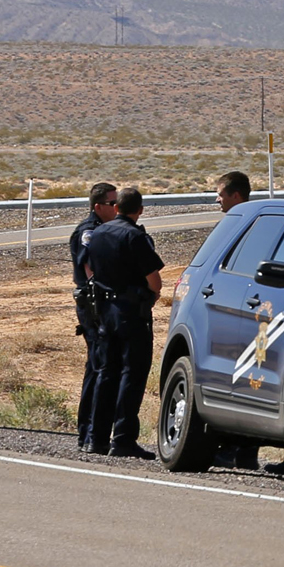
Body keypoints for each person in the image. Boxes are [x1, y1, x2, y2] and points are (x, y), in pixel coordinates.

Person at [85, 187, 164, 459]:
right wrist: (153, 295)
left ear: (116, 207)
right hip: (131, 311)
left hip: (104, 309)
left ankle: (96, 437)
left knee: (107, 372)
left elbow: (88, 268)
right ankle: (123, 438)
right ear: (139, 210)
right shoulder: (134, 236)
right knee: (133, 372)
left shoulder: (98, 233)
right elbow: (153, 277)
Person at [213, 170, 263, 470]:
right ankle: (240, 452)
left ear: (236, 195)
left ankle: (239, 449)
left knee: (246, 381)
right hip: (234, 313)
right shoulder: (240, 225)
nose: (217, 199)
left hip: (250, 316)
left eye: (221, 194)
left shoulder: (252, 227)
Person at [71, 182, 118, 453]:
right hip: (93, 305)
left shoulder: (106, 228)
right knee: (98, 366)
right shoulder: (89, 231)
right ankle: (87, 431)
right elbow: (89, 267)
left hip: (100, 304)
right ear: (98, 206)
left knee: (99, 365)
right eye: (112, 203)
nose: (116, 207)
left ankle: (90, 431)